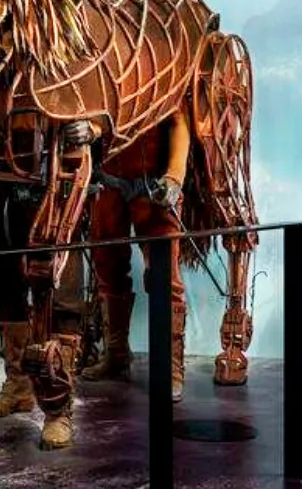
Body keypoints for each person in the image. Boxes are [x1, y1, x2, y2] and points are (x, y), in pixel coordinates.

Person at [78, 114, 191, 402]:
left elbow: (178, 121)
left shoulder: (163, 80)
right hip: (109, 182)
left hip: (155, 187)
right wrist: (92, 130)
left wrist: (174, 175)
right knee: (107, 268)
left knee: (165, 276)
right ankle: (116, 354)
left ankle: (170, 366)